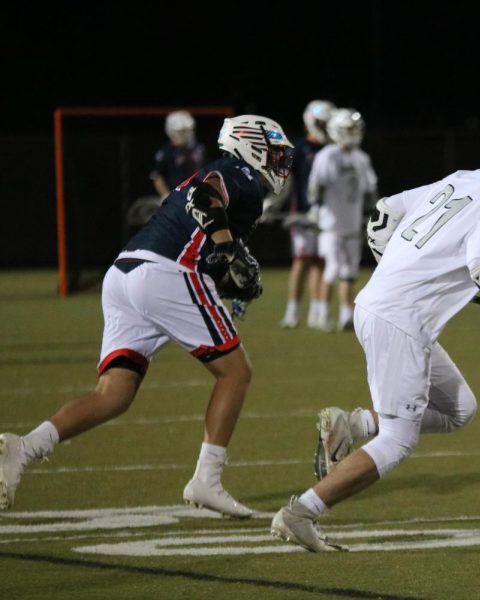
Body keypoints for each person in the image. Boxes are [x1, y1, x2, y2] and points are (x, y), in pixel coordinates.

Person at [270, 106, 480, 551]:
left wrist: (408, 270)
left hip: (386, 308)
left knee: (460, 410)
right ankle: (301, 513)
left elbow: (381, 216)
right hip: (399, 316)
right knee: (398, 440)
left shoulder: (465, 178)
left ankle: (352, 423)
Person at [0, 115, 294, 518]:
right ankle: (207, 480)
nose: (280, 164)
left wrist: (226, 269)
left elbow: (199, 227)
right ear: (251, 145)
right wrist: (227, 249)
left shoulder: (228, 175)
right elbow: (204, 199)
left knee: (114, 394)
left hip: (125, 272)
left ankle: (24, 447)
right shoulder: (236, 172)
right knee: (236, 372)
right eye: (276, 153)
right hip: (167, 272)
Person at [306, 108, 378, 331]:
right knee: (333, 268)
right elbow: (316, 186)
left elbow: (369, 190)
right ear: (337, 130)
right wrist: (315, 209)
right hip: (331, 225)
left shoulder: (361, 158)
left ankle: (347, 317)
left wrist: (372, 214)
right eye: (349, 129)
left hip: (352, 224)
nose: (353, 132)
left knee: (349, 273)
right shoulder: (327, 155)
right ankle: (321, 314)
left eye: (355, 128)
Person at [279, 100, 335, 329]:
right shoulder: (299, 149)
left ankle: (316, 313)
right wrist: (276, 203)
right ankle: (292, 312)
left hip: (328, 214)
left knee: (320, 263)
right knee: (301, 262)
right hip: (302, 212)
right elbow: (285, 179)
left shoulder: (332, 150)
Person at [150, 110, 207, 198]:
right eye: (181, 132)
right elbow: (157, 177)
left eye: (187, 131)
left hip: (195, 194)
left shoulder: (199, 149)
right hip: (174, 196)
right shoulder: (165, 152)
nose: (185, 135)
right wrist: (166, 195)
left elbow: (204, 171)